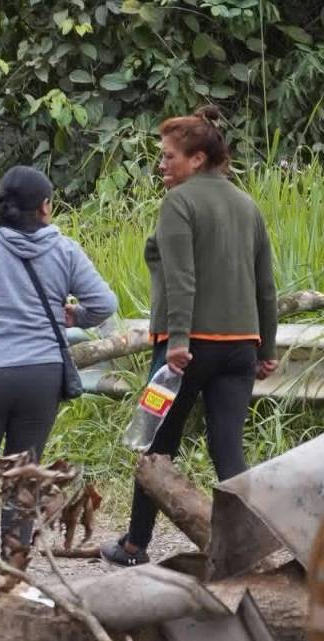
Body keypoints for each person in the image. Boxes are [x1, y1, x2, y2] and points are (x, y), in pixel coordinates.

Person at [101, 107, 278, 567]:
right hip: (240, 347)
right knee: (228, 450)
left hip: (184, 350)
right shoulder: (247, 205)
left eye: (169, 156)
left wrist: (177, 341)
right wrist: (268, 348)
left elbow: (182, 278)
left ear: (197, 158)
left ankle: (135, 545)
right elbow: (265, 286)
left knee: (155, 445)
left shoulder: (179, 203)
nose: (162, 164)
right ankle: (251, 548)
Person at [0, 166, 118, 560]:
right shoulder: (64, 249)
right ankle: (14, 559)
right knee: (25, 470)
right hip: (40, 373)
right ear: (45, 207)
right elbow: (104, 304)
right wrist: (73, 318)